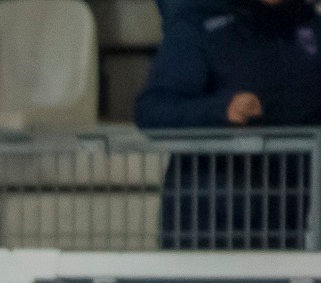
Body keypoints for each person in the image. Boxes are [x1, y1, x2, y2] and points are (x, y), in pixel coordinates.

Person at [135, 0, 320, 249]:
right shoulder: (199, 24)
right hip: (205, 227)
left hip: (290, 225)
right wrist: (222, 111)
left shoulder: (311, 27)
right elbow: (154, 109)